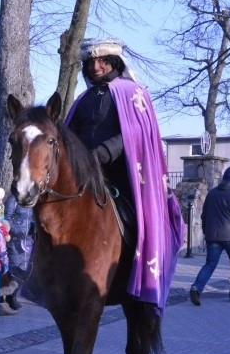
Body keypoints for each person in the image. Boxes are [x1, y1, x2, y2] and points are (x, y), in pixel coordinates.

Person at [65, 37, 183, 315]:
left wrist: (102, 153)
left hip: (123, 173)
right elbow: (71, 134)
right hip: (85, 174)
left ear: (113, 62)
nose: (95, 67)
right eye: (91, 62)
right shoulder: (83, 100)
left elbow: (136, 132)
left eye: (102, 61)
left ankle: (141, 269)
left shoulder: (133, 93)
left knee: (138, 218)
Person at [189, 166, 230, 306]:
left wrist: (206, 231)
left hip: (213, 235)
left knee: (210, 264)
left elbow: (204, 215)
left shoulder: (212, 193)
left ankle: (196, 287)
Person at [4, 192, 33, 310]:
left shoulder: (32, 199)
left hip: (27, 240)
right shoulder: (13, 199)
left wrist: (34, 227)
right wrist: (16, 231)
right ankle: (9, 296)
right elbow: (7, 217)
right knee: (14, 267)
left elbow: (32, 218)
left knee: (25, 269)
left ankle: (14, 294)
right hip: (15, 240)